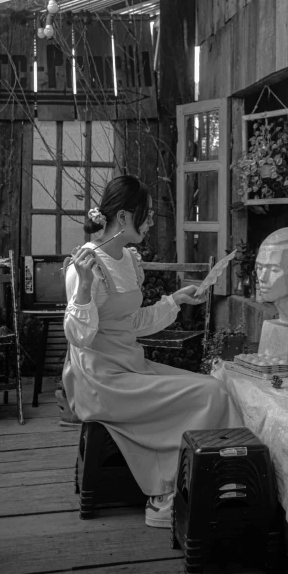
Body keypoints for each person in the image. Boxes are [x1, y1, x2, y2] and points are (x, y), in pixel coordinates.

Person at [62, 175, 242, 529]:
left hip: (129, 366)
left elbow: (134, 324)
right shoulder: (87, 267)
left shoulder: (127, 259)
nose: (149, 222)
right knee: (208, 392)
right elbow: (79, 337)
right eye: (145, 215)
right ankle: (166, 494)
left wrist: (176, 299)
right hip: (101, 380)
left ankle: (219, 482)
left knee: (215, 389)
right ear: (125, 217)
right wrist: (82, 288)